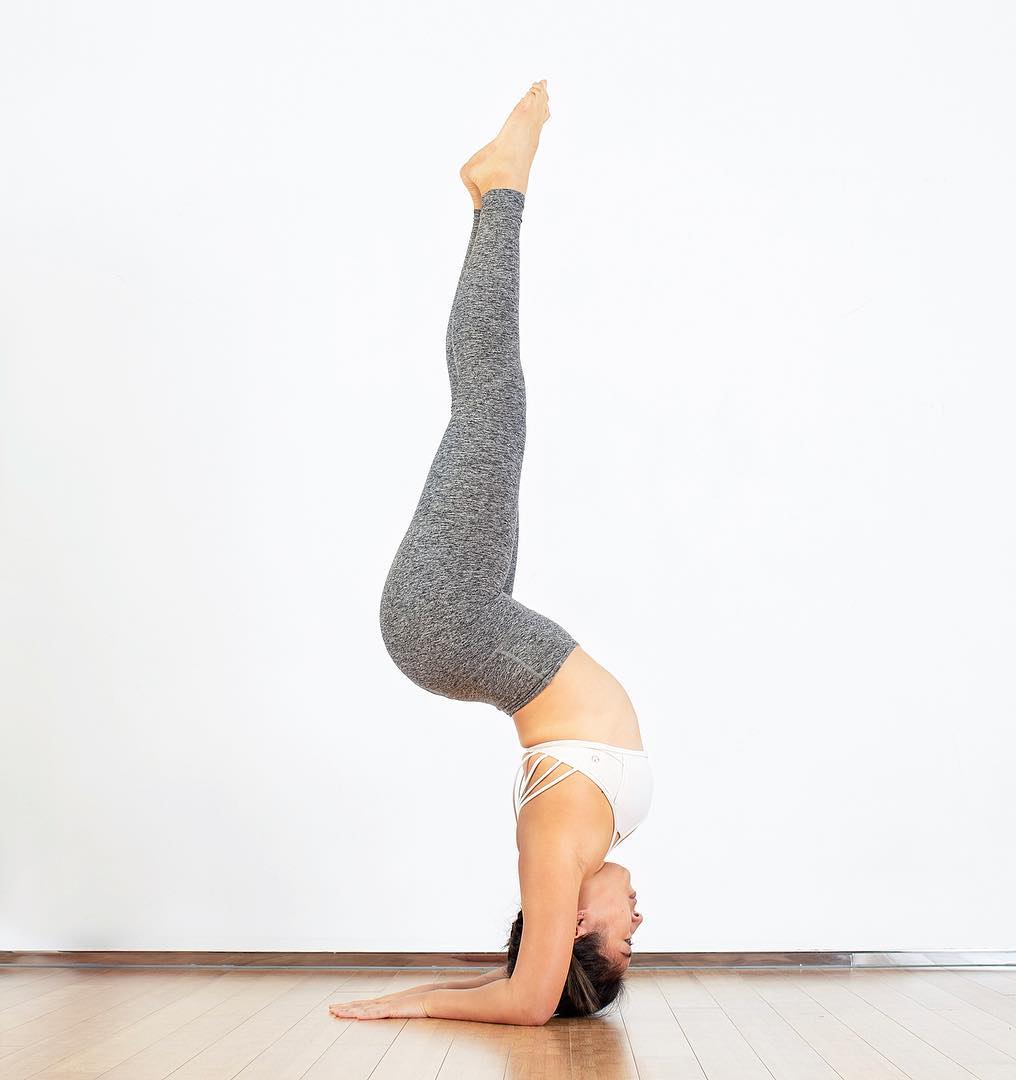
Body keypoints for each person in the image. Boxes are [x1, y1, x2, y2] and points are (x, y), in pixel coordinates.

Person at [330, 80, 652, 1026]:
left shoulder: (558, 852)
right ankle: (494, 196)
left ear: (575, 932)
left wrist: (407, 1005)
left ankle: (500, 189)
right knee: (495, 406)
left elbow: (524, 1001)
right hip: (473, 625)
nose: (641, 917)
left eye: (626, 937)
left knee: (491, 402)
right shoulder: (585, 840)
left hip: (452, 620)